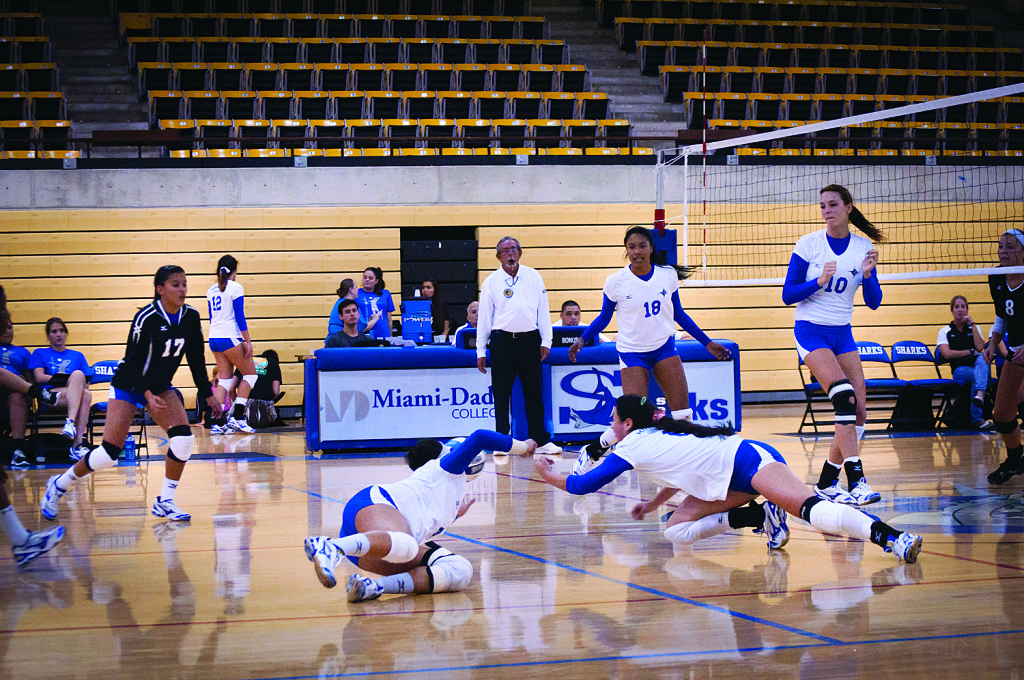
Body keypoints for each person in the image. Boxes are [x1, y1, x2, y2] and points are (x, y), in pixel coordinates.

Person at [534, 395, 923, 563]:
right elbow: (681, 473)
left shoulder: (631, 445)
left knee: (811, 510)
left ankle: (892, 539)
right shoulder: (657, 434)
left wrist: (547, 474)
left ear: (627, 424)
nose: (611, 426)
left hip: (749, 461)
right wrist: (653, 505)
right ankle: (756, 518)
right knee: (674, 530)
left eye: (614, 421)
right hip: (725, 482)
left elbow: (583, 485)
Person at [41, 265, 222, 523]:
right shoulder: (146, 318)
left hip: (160, 386)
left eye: (184, 284)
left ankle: (165, 501)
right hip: (129, 384)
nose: (182, 289)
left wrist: (207, 393)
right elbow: (133, 362)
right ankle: (59, 484)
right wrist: (146, 394)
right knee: (108, 454)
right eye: (175, 285)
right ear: (160, 290)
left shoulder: (191, 317)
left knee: (183, 440)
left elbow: (195, 358)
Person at [304, 429, 537, 602]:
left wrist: (457, 515)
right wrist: (523, 446)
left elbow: (425, 518)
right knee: (406, 544)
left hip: (372, 549)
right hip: (374, 505)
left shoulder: (448, 494)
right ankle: (331, 547)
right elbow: (480, 437)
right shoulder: (446, 468)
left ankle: (372, 587)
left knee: (460, 570)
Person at [568, 226, 731, 472]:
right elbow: (603, 319)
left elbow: (679, 314)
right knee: (634, 420)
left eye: (642, 246)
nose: (637, 251)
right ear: (626, 251)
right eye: (631, 247)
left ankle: (688, 464)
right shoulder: (616, 282)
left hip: (663, 347)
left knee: (683, 414)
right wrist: (581, 340)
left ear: (651, 248)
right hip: (632, 352)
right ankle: (592, 451)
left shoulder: (666, 275)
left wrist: (707, 343)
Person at [781, 184, 884, 506]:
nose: (827, 210)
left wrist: (868, 276)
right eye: (823, 205)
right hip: (811, 331)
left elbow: (875, 302)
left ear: (848, 208)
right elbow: (788, 295)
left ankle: (826, 483)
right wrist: (818, 282)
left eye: (833, 204)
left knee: (860, 411)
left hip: (842, 333)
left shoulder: (862, 247)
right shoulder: (808, 244)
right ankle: (857, 481)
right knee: (844, 397)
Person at [477, 237, 562, 456]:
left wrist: (546, 341)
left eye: (513, 249)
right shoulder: (491, 282)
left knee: (534, 393)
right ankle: (502, 442)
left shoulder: (533, 276)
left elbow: (543, 311)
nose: (510, 254)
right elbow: (485, 318)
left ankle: (541, 440)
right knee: (501, 394)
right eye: (505, 251)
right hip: (502, 342)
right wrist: (480, 350)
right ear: (498, 257)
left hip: (530, 340)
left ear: (520, 253)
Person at [0, 285, 64, 566]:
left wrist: (32, 392)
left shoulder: (21, 353)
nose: (7, 317)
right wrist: (37, 392)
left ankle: (21, 541)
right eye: (3, 308)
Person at [983, 229, 1024, 484]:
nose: (1003, 251)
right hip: (1017, 351)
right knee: (1002, 412)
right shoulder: (996, 277)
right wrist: (992, 342)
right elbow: (1002, 316)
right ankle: (1016, 459)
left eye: (1010, 246)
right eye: (1000, 246)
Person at [206, 255, 257, 435]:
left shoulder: (211, 290)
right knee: (251, 375)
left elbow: (212, 318)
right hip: (230, 337)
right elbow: (239, 316)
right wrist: (247, 341)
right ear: (234, 271)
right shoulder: (235, 287)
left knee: (225, 380)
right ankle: (238, 417)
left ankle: (218, 422)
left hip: (214, 338)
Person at [29, 317, 93, 459]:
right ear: (48, 335)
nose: (58, 334)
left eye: (62, 330)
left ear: (66, 333)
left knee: (85, 391)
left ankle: (71, 431)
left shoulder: (78, 355)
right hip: (50, 396)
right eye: (54, 331)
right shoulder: (40, 353)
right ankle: (76, 444)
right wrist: (69, 380)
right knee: (79, 384)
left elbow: (86, 383)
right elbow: (39, 377)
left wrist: (72, 382)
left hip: (71, 397)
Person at [937, 295, 992, 430]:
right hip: (959, 370)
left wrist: (972, 325)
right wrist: (969, 352)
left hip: (977, 367)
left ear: (967, 310)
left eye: (963, 307)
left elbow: (980, 348)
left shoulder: (974, 328)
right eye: (957, 307)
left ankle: (979, 397)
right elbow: (947, 354)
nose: (960, 310)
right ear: (952, 311)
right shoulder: (945, 331)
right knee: (980, 374)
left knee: (981, 362)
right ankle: (978, 418)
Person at [0, 318, 31, 467]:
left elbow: (31, 380)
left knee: (18, 395)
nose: (8, 331)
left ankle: (18, 451)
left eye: (10, 327)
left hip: (10, 397)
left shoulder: (22, 352)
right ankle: (35, 392)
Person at [356, 267, 395, 340]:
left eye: (370, 278)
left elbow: (389, 319)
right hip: (362, 334)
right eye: (365, 277)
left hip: (382, 333)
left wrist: (390, 337)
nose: (367, 280)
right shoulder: (356, 293)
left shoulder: (385, 293)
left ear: (376, 281)